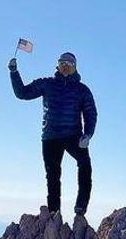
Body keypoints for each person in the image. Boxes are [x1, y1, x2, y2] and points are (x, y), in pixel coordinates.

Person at [9, 51, 97, 217]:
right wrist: (14, 72)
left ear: (75, 67)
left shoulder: (82, 90)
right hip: (51, 137)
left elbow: (90, 113)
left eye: (69, 64)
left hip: (73, 136)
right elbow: (22, 93)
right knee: (52, 175)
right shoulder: (47, 84)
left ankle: (81, 206)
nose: (65, 66)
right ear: (57, 65)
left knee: (85, 164)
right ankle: (53, 213)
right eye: (62, 63)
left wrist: (88, 134)